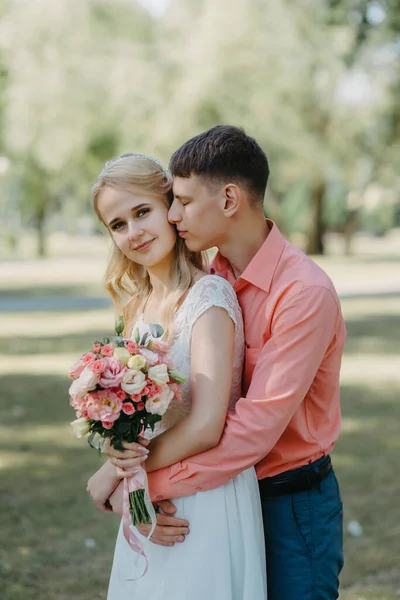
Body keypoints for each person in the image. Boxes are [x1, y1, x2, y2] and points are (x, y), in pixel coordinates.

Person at [97, 126, 347, 600]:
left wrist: (140, 483)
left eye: (183, 202)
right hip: (221, 490)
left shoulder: (302, 293)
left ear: (229, 199)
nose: (173, 215)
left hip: (292, 500)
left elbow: (250, 429)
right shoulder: (213, 277)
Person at [87, 153, 267, 600]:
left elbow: (207, 426)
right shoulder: (137, 308)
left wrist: (115, 473)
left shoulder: (208, 297)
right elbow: (137, 419)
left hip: (206, 497)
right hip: (149, 496)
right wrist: (122, 461)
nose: (134, 232)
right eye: (118, 224)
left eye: (142, 212)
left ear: (170, 207)